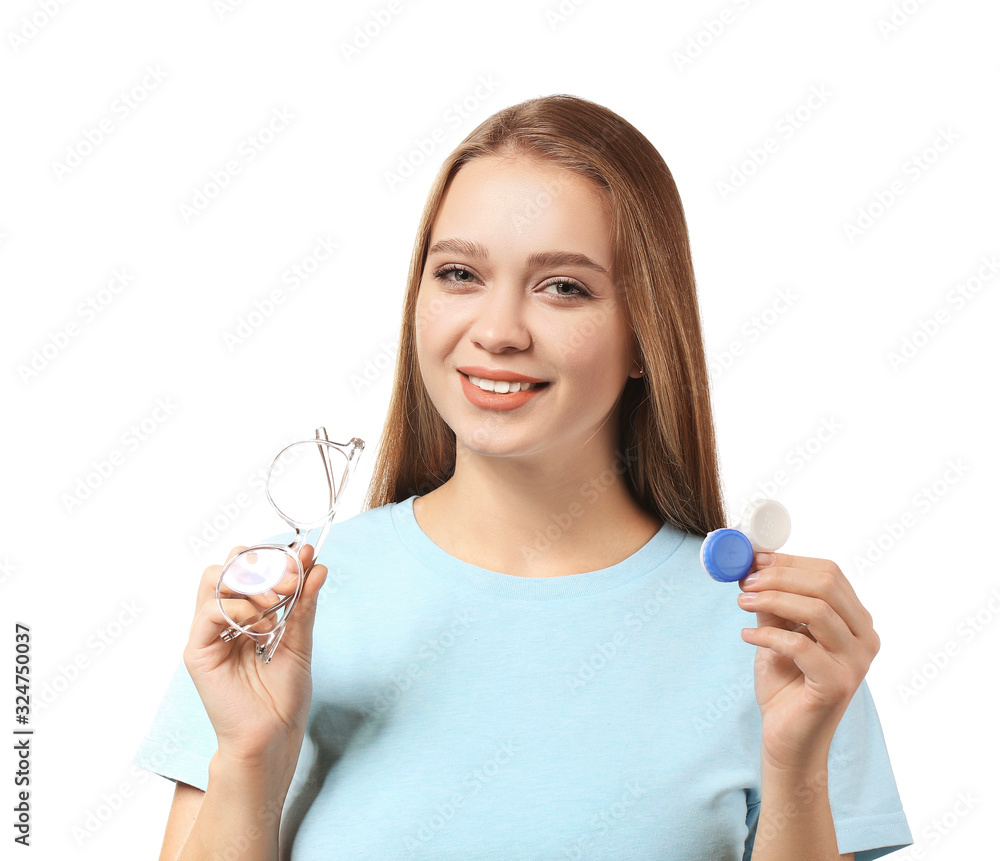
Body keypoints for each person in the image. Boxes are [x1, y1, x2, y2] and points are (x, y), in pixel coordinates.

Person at [135, 94, 913, 860]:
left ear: (648, 332)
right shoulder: (275, 606)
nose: (499, 330)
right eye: (460, 273)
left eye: (563, 286)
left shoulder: (775, 640)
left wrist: (798, 767)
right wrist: (248, 759)